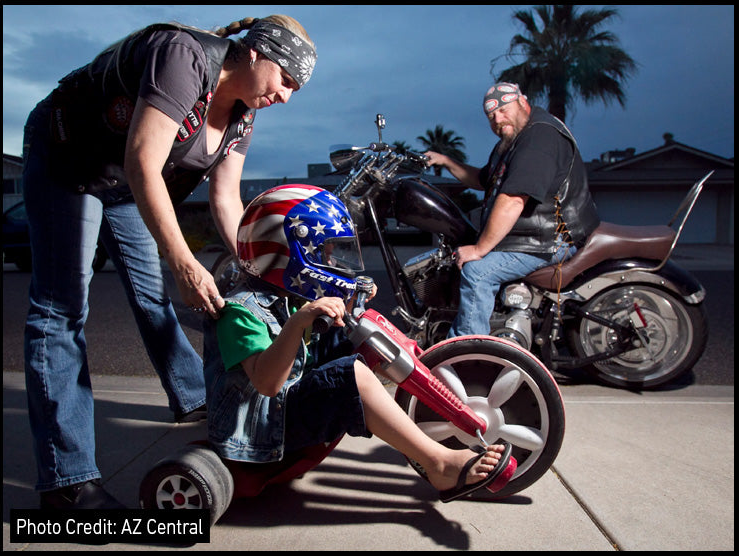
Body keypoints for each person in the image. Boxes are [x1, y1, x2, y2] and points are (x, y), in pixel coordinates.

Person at [22, 15, 317, 510]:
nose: (286, 96)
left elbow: (226, 201)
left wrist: (266, 268)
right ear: (256, 53)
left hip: (122, 181)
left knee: (152, 297)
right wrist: (183, 262)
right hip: (68, 159)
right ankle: (66, 482)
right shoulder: (184, 57)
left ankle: (194, 397)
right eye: (285, 79)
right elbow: (144, 159)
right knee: (61, 309)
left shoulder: (244, 113)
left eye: (296, 88)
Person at [202, 184, 514, 503]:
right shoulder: (239, 313)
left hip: (282, 417)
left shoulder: (289, 296)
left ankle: (442, 412)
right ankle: (440, 464)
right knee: (351, 374)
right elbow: (267, 384)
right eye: (322, 252)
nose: (330, 260)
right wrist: (299, 322)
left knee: (356, 340)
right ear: (286, 253)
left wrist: (350, 304)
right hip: (260, 434)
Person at [424, 82, 600, 337]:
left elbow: (513, 199)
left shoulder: (539, 137)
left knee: (477, 273)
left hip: (552, 239)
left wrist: (480, 249)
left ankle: (469, 350)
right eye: (491, 115)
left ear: (522, 102)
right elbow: (483, 180)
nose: (497, 119)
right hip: (532, 235)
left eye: (503, 110)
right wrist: (445, 161)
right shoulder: (513, 140)